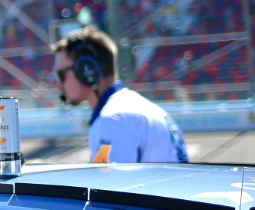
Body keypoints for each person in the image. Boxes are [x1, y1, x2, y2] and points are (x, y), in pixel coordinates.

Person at [51, 27, 188, 163]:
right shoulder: (131, 108)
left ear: (87, 69)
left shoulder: (112, 119)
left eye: (61, 75)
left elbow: (108, 183)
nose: (59, 85)